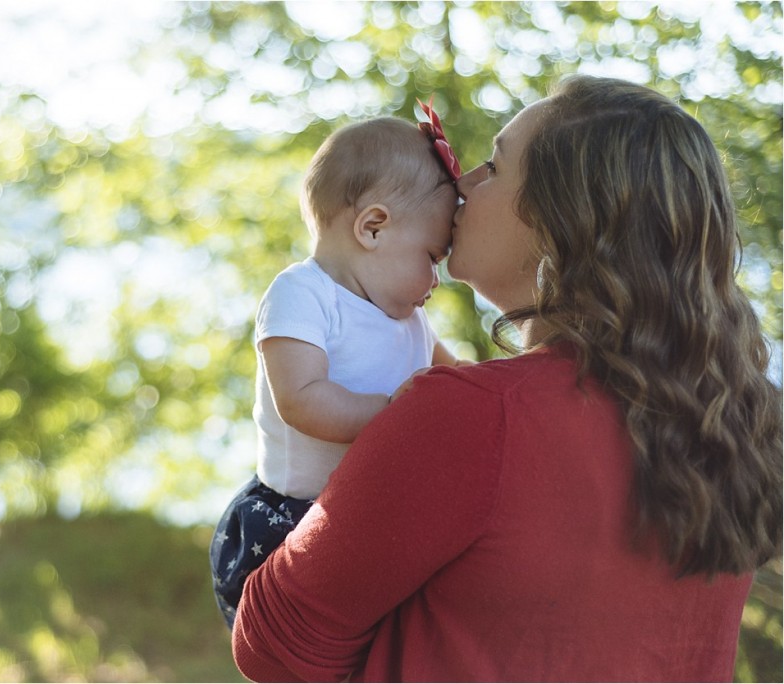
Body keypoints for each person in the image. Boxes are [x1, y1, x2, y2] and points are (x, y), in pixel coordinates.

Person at [232, 74, 783, 682]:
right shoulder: (738, 425)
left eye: (492, 167)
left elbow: (274, 644)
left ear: (558, 221)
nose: (461, 184)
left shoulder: (472, 416)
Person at [210, 109, 465, 629]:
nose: (437, 278)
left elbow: (459, 382)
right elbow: (302, 398)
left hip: (377, 508)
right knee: (304, 639)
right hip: (295, 516)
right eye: (432, 256)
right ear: (373, 228)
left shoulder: (411, 320)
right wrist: (398, 412)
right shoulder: (303, 293)